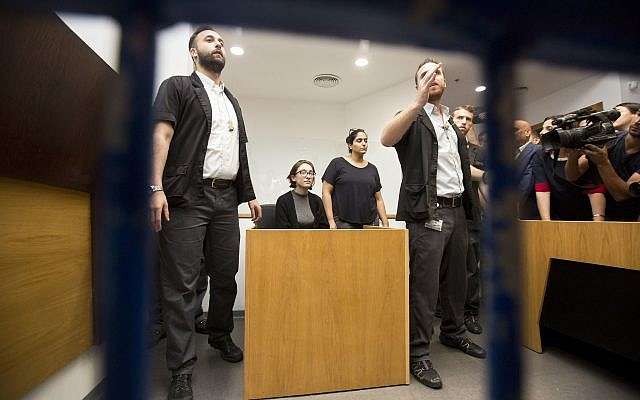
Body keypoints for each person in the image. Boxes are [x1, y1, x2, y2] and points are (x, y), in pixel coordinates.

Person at [149, 25, 262, 400]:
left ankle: (220, 335)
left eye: (221, 41)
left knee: (226, 276)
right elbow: (161, 136)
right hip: (187, 198)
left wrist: (249, 194)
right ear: (193, 52)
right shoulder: (178, 86)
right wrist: (155, 187)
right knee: (181, 287)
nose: (219, 45)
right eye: (210, 40)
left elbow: (238, 153)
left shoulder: (231, 100)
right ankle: (181, 368)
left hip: (226, 201)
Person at [380, 58, 485, 391]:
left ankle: (454, 334)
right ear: (417, 85)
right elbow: (385, 138)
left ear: (446, 81)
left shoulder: (453, 124)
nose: (433, 78)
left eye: (437, 72)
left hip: (458, 211)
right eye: (424, 75)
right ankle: (418, 351)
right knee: (423, 286)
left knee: (457, 281)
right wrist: (417, 103)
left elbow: (460, 171)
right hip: (428, 213)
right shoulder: (413, 116)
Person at [565, 119, 640, 221]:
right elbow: (573, 176)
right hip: (602, 215)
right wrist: (574, 154)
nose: (638, 121)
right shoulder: (610, 139)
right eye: (639, 115)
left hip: (630, 221)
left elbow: (622, 195)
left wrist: (603, 163)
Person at [533, 116, 606, 221]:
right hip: (558, 216)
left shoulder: (585, 153)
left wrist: (598, 223)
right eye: (542, 128)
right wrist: (547, 223)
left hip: (586, 216)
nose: (541, 132)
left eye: (548, 128)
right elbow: (542, 189)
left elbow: (594, 189)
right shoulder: (541, 155)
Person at [451, 105, 484, 335]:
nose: (463, 122)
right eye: (459, 118)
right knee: (446, 267)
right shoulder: (440, 146)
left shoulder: (477, 151)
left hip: (470, 214)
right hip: (443, 214)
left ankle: (471, 313)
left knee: (471, 268)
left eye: (468, 119)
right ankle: (447, 312)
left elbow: (477, 174)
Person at [322, 129, 389, 229]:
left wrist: (385, 223)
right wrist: (331, 221)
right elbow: (326, 192)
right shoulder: (337, 163)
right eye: (359, 140)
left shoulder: (372, 169)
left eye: (365, 141)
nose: (364, 144)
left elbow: (378, 199)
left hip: (370, 222)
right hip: (343, 221)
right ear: (350, 145)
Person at [275, 160, 329, 228]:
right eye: (303, 172)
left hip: (316, 238)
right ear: (293, 178)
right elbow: (282, 230)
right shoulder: (283, 201)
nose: (308, 176)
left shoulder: (317, 200)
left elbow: (324, 228)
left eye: (311, 173)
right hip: (291, 238)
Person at [514, 120, 541, 219]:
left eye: (515, 130)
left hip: (529, 210)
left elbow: (527, 182)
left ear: (527, 132)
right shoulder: (513, 153)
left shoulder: (536, 150)